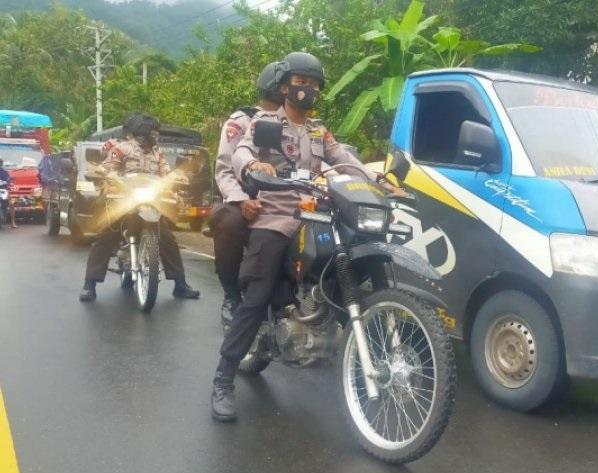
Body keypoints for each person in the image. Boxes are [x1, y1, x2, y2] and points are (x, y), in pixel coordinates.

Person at [210, 52, 404, 422]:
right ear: (285, 87)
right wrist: (253, 165)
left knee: (345, 265)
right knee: (259, 293)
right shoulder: (264, 122)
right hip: (276, 213)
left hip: (315, 213)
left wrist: (375, 179)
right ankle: (223, 379)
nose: (308, 90)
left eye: (314, 84)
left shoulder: (319, 130)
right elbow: (242, 152)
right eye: (301, 82)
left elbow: (343, 158)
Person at [79, 114, 201, 302]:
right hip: (124, 200)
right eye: (153, 133)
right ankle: (90, 284)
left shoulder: (157, 154)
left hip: (150, 201)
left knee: (168, 238)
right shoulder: (120, 149)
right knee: (106, 236)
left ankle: (180, 284)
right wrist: (106, 174)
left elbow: (166, 173)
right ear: (142, 134)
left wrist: (178, 178)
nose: (156, 136)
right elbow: (105, 168)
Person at [209, 61, 286, 327]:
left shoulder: (297, 122)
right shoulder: (241, 121)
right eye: (291, 85)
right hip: (245, 195)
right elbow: (224, 169)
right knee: (229, 223)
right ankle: (231, 295)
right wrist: (242, 200)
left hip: (286, 198)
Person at [0, 157, 17, 228]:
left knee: (11, 204)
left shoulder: (5, 172)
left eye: (0, 163)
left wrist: (8, 182)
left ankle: (13, 223)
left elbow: (8, 180)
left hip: (3, 190)